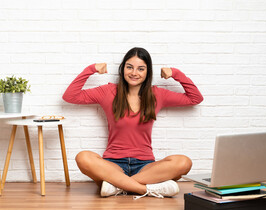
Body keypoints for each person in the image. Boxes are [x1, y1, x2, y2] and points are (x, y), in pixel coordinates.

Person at [62, 47, 203, 199]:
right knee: (83, 157)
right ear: (123, 69)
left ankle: (118, 186)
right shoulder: (108, 92)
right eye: (129, 67)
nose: (134, 73)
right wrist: (91, 69)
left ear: (147, 72)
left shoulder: (157, 94)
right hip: (113, 165)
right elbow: (70, 96)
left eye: (141, 69)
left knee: (183, 162)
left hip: (145, 167)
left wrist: (175, 73)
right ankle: (146, 190)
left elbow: (195, 98)